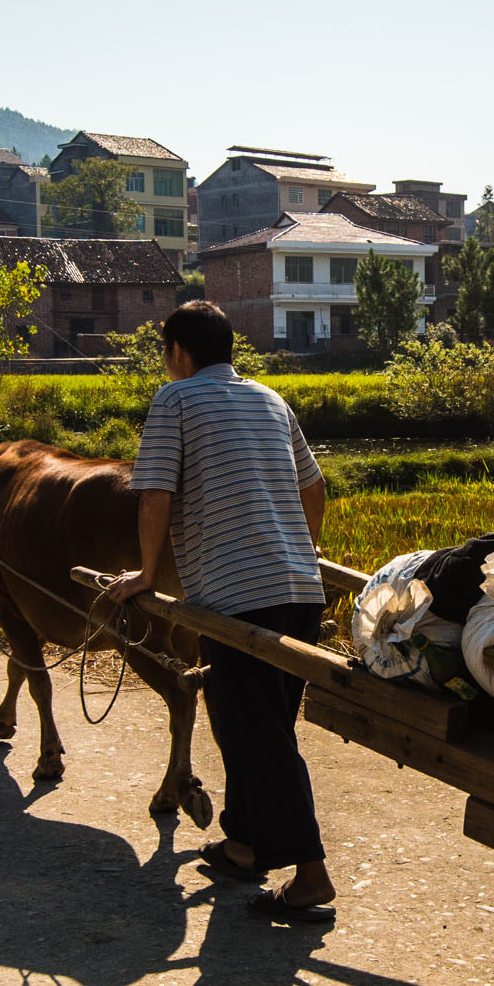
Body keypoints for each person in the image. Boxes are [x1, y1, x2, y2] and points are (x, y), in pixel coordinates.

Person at [123, 301, 335, 919]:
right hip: (300, 595)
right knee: (257, 728)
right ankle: (243, 845)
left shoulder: (176, 400)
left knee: (259, 737)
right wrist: (306, 550)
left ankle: (312, 873)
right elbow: (313, 487)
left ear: (180, 352)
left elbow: (155, 492)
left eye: (167, 353)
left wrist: (142, 573)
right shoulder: (270, 400)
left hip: (237, 602)